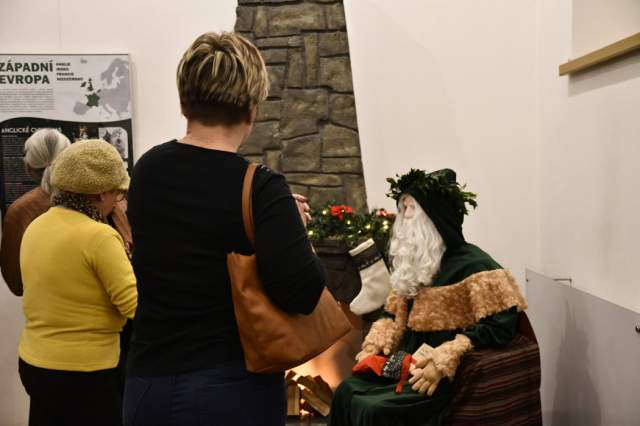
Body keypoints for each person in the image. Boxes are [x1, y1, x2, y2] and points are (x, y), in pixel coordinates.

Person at [123, 32, 326, 426]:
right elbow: (301, 294)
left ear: (184, 102)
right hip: (229, 386)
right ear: (252, 108)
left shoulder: (147, 170)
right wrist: (291, 226)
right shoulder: (262, 187)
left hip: (148, 382)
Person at [330, 168, 528, 426]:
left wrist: (445, 357)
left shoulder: (476, 267)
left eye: (412, 208)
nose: (404, 217)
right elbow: (392, 314)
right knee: (345, 392)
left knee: (375, 410)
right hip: (403, 364)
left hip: (439, 377)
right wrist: (373, 346)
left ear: (437, 218)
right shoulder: (416, 264)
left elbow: (499, 325)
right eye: (403, 208)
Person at [18, 139, 137, 426]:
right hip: (86, 371)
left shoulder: (37, 226)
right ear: (101, 193)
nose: (117, 201)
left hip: (35, 363)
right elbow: (133, 306)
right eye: (117, 193)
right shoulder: (99, 235)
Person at [1, 129, 133, 297]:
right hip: (119, 301)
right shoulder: (111, 196)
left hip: (51, 304)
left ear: (29, 166)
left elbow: (16, 282)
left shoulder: (21, 211)